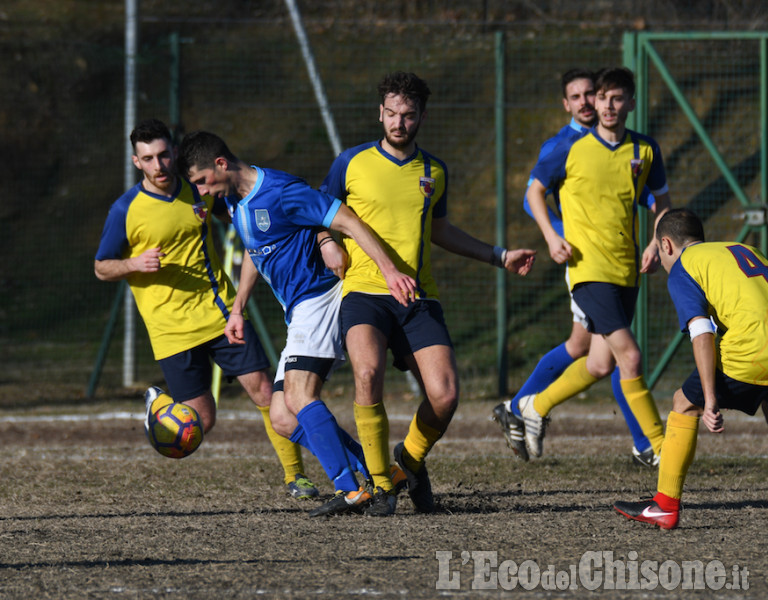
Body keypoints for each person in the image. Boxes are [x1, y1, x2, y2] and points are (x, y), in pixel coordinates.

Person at [321, 71, 537, 513]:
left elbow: (440, 231)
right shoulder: (350, 163)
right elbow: (321, 215)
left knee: (445, 394)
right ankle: (382, 485)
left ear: (422, 116)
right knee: (367, 376)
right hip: (364, 291)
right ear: (380, 113)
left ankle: (406, 463)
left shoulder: (433, 171)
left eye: (409, 115)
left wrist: (499, 256)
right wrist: (327, 244)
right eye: (392, 114)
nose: (399, 123)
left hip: (418, 297)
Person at [177, 130, 416, 517]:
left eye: (202, 181)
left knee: (301, 395)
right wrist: (238, 307)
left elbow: (347, 220)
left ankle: (351, 489)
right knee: (283, 416)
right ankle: (383, 472)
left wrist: (386, 270)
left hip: (319, 298)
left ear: (221, 164)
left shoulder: (282, 190)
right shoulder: (235, 202)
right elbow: (256, 249)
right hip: (299, 310)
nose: (203, 192)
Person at [94, 118, 318, 500]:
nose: (159, 165)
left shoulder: (200, 190)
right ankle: (158, 407)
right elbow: (101, 267)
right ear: (137, 162)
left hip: (220, 313)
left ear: (175, 153)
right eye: (149, 159)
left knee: (265, 391)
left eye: (164, 155)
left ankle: (295, 477)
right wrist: (134, 264)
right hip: (170, 330)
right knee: (200, 424)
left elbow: (240, 218)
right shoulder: (125, 210)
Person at [492, 68, 656, 467]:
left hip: (618, 260)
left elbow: (648, 191)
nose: (586, 102)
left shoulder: (627, 147)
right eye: (578, 97)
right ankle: (647, 442)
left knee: (588, 350)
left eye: (591, 94)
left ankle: (519, 406)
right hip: (585, 261)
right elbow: (532, 197)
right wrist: (561, 234)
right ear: (566, 104)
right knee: (620, 352)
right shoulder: (564, 144)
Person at [614, 208, 768, 529]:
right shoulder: (743, 250)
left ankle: (664, 506)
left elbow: (701, 331)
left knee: (684, 403)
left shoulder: (684, 269)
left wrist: (709, 397)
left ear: (666, 246)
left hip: (753, 349)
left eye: (658, 250)